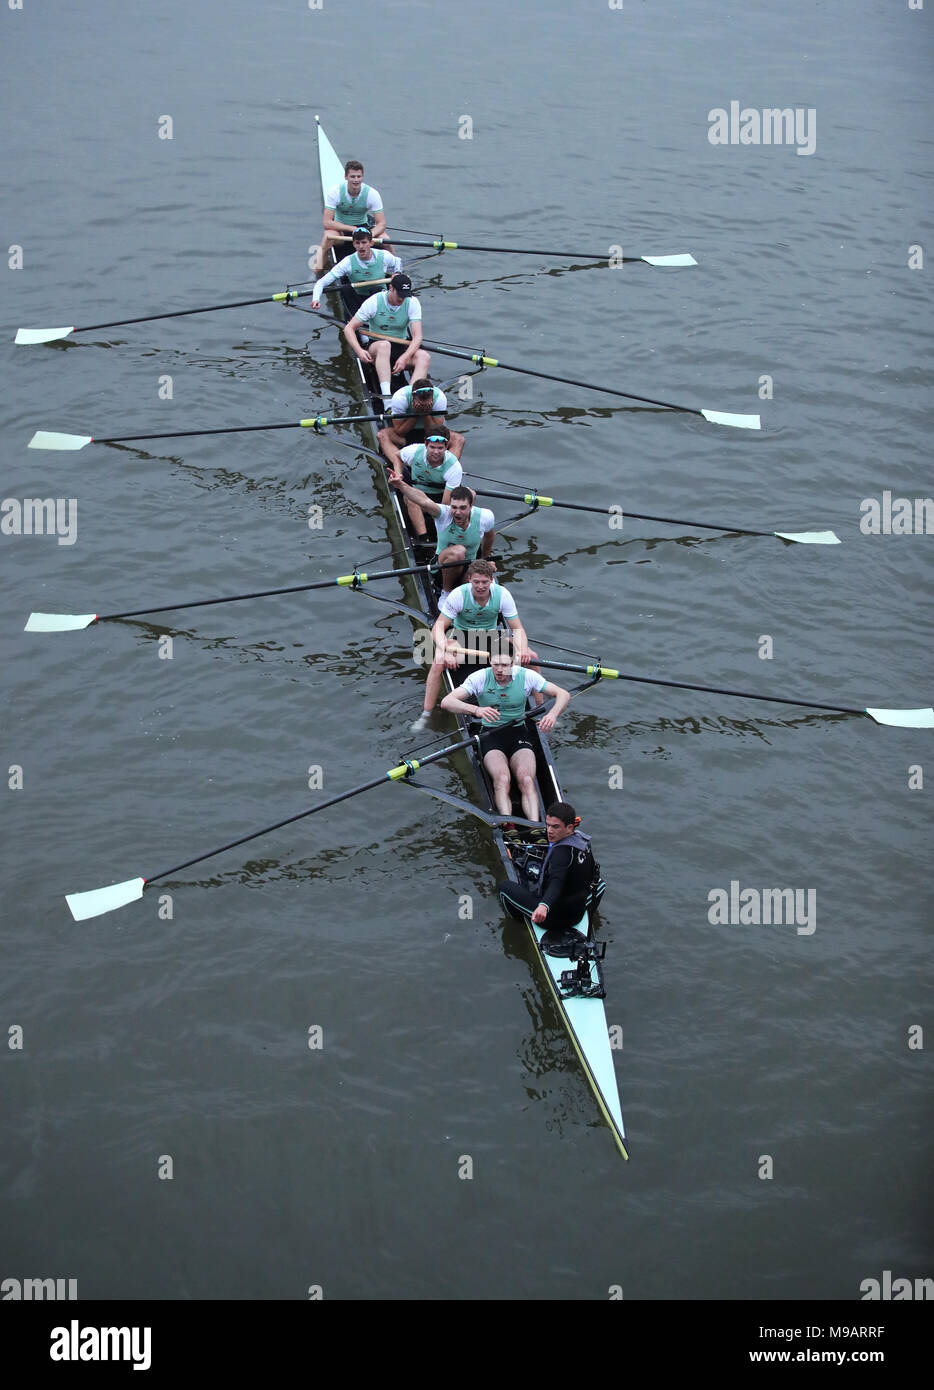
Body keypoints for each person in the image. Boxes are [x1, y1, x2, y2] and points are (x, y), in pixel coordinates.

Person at [440, 648, 570, 822]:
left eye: (505, 665)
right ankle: (509, 825)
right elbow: (447, 702)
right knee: (502, 779)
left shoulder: (526, 676)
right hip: (490, 734)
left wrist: (552, 715)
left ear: (513, 663)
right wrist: (476, 710)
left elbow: (563, 694)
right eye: (495, 665)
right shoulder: (480, 678)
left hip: (519, 732)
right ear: (490, 663)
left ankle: (534, 826)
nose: (500, 670)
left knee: (526, 779)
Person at [411, 559, 538, 732]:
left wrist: (522, 649)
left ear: (491, 580)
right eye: (476, 582)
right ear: (469, 579)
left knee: (533, 658)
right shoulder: (459, 595)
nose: (480, 586)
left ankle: (538, 709)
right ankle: (425, 714)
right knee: (439, 661)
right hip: (463, 639)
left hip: (491, 638)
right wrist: (445, 649)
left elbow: (518, 628)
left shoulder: (502, 594)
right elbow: (438, 627)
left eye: (484, 582)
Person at [496, 801, 604, 952]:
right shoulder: (584, 842)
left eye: (556, 827)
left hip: (552, 918)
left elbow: (557, 882)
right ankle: (587, 915)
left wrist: (544, 906)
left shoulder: (560, 854)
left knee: (504, 887)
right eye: (548, 825)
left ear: (570, 828)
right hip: (578, 913)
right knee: (601, 884)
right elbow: (593, 873)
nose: (549, 831)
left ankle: (522, 922)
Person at [387, 480, 494, 591]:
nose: (457, 512)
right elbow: (423, 501)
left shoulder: (485, 517)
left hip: (470, 565)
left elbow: (489, 536)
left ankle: (465, 592)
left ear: (471, 506)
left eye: (462, 508)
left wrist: (486, 559)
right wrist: (400, 485)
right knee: (459, 552)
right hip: (442, 566)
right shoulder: (444, 513)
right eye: (454, 507)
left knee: (480, 580)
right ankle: (446, 591)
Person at [344, 273, 430, 405]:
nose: (402, 299)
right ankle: (387, 401)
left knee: (424, 356)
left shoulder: (412, 302)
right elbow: (349, 328)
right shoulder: (374, 302)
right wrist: (360, 351)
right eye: (399, 295)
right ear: (391, 288)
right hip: (377, 349)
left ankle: (411, 398)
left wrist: (405, 357)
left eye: (405, 295)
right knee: (385, 345)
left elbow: (417, 337)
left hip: (400, 349)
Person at [382, 426, 464, 543]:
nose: (436, 452)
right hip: (417, 494)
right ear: (426, 445)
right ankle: (423, 539)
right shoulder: (415, 451)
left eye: (440, 448)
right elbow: (396, 455)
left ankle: (444, 537)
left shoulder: (453, 466)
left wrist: (431, 509)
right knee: (410, 499)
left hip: (441, 496)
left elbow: (445, 507)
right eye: (432, 447)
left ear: (446, 447)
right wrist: (398, 474)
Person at [315, 159, 388, 272]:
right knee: (327, 237)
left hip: (363, 227)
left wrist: (368, 236)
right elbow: (327, 222)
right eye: (352, 177)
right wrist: (352, 229)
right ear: (346, 177)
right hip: (341, 229)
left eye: (359, 177)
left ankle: (396, 271)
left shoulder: (372, 194)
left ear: (362, 177)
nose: (356, 180)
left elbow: (382, 223)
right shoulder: (335, 192)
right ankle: (318, 271)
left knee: (385, 239)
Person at [311, 226, 403, 309]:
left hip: (380, 298)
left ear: (371, 243)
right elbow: (321, 283)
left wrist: (397, 273)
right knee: (345, 289)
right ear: (354, 244)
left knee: (376, 290)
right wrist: (316, 299)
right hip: (359, 300)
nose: (361, 246)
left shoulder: (383, 256)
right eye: (357, 243)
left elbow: (397, 261)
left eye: (364, 242)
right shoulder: (348, 262)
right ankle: (356, 320)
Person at [378, 378, 465, 458]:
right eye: (421, 402)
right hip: (405, 437)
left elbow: (437, 433)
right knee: (382, 435)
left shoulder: (439, 398)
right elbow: (400, 432)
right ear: (413, 397)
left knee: (458, 439)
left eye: (426, 402)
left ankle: (448, 468)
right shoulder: (400, 397)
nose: (423, 405)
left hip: (431, 438)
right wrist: (416, 414)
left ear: (432, 396)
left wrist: (426, 414)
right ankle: (399, 465)